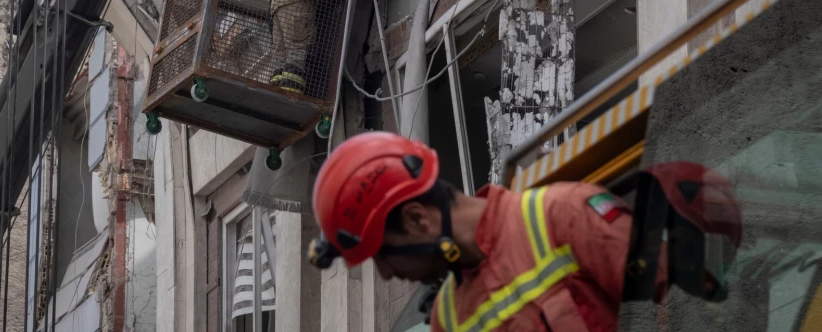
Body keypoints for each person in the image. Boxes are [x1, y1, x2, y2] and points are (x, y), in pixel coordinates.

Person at [308, 132, 742, 331]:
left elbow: (689, 306)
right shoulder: (447, 320)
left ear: (418, 219)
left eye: (383, 254)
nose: (386, 273)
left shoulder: (560, 215)